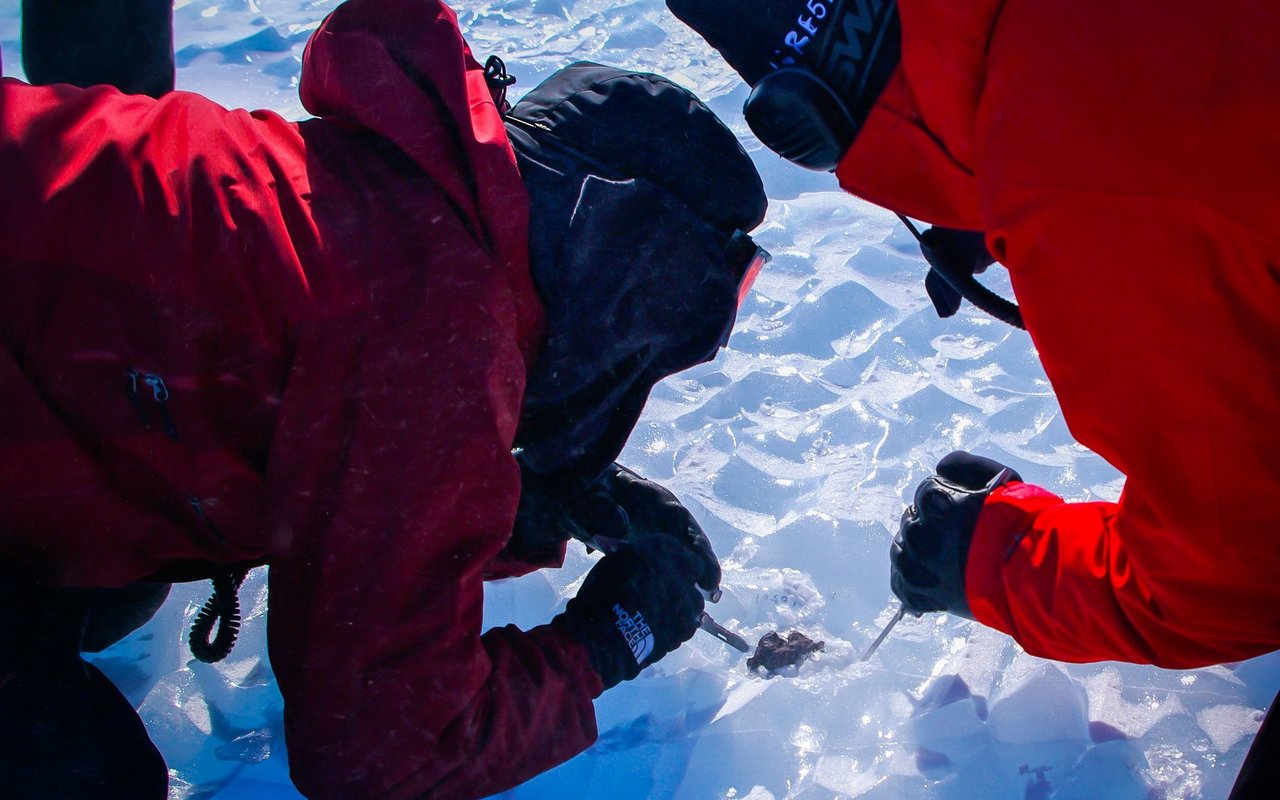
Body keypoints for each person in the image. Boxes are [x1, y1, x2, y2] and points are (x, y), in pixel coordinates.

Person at [0, 0, 771, 797]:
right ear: (626, 276)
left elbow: (340, 467)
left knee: (104, 603)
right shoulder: (436, 324)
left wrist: (528, 507)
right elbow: (381, 750)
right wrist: (606, 642)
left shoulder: (410, 201)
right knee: (85, 775)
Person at [664, 0, 1280, 795]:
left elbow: (1232, 578)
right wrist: (981, 182)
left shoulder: (1088, 178)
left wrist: (993, 558)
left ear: (808, 102)